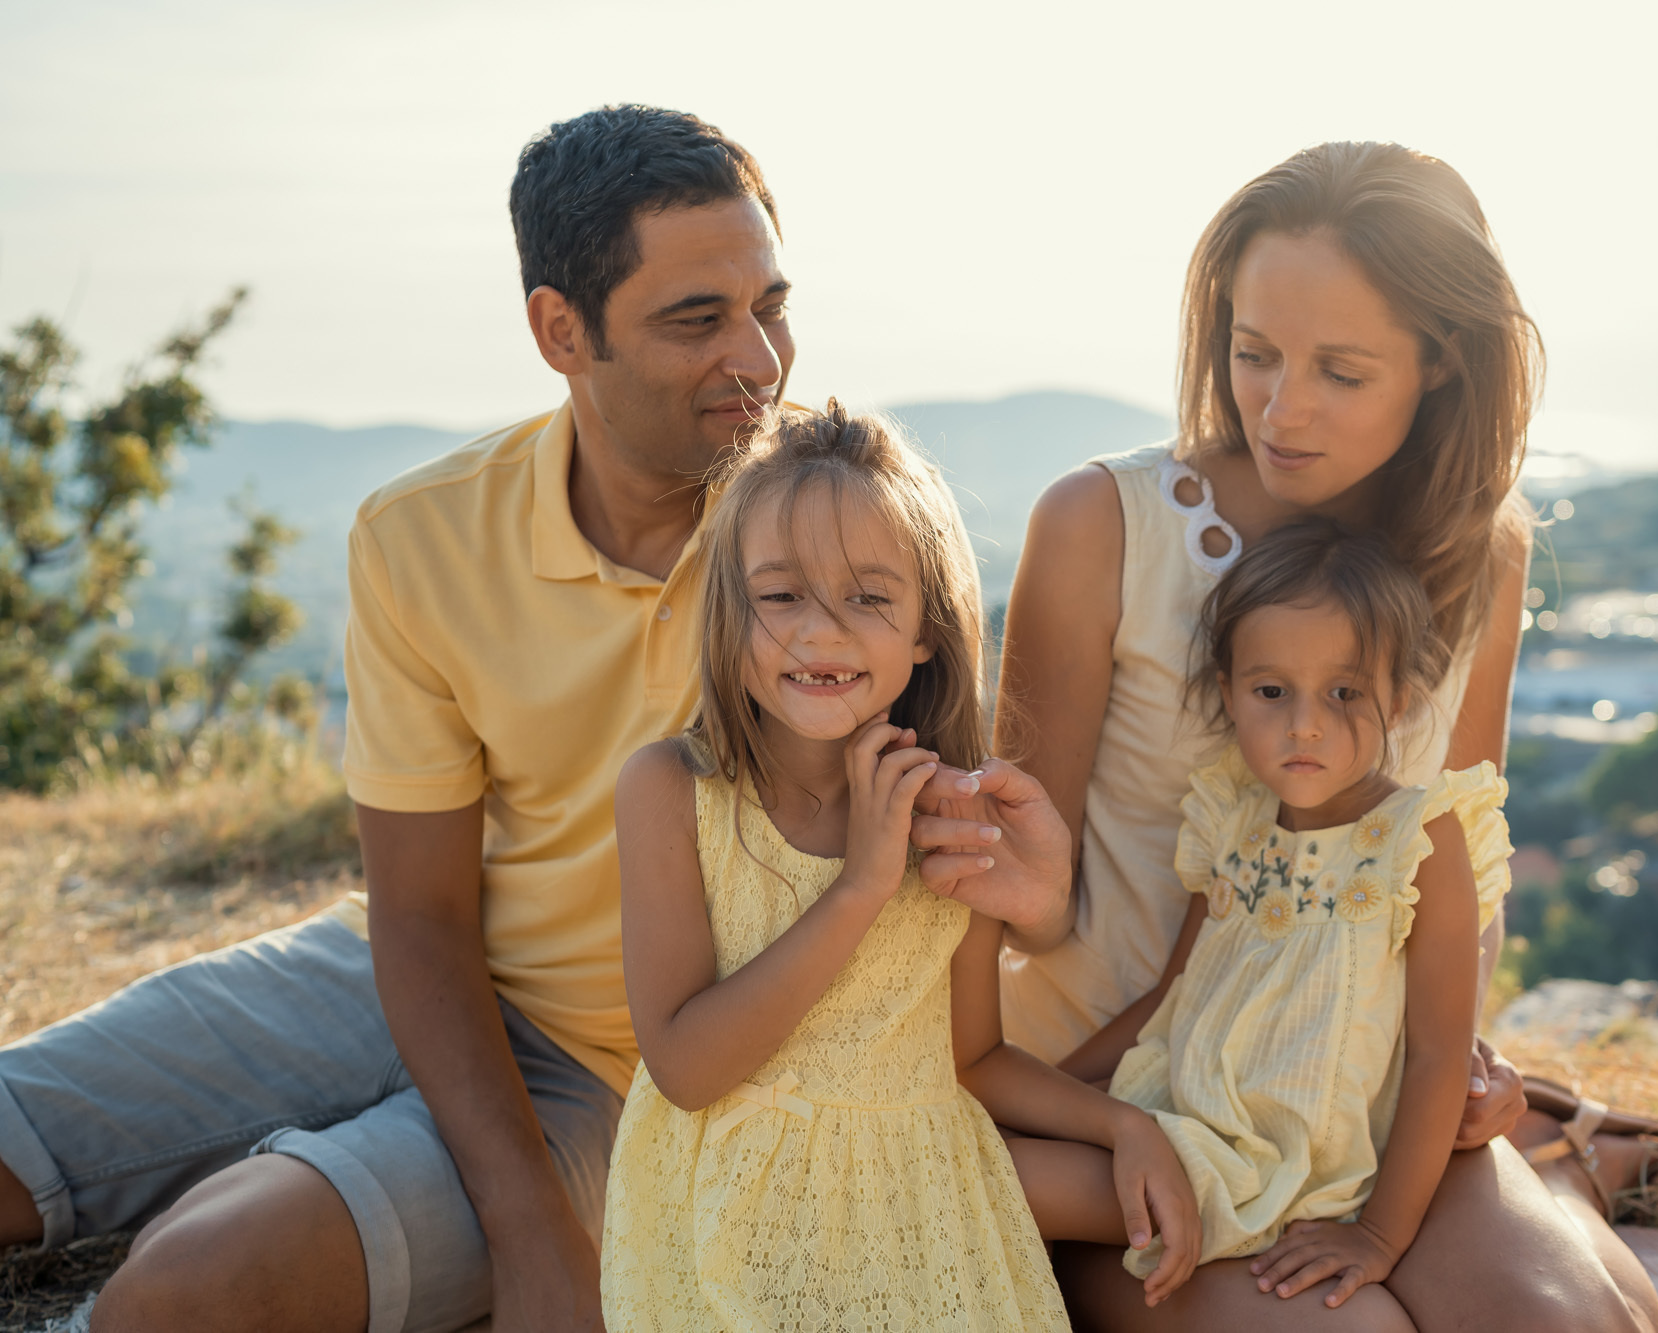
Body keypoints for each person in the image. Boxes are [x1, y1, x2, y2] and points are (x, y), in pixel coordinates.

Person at [0, 107, 1072, 1333]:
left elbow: (952, 867)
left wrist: (549, 1219)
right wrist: (521, 1222)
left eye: (770, 306)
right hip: (398, 973)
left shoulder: (830, 557)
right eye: (695, 320)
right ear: (561, 330)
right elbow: (418, 910)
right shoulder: (421, 533)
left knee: (191, 1286)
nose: (758, 361)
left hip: (636, 1073)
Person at [995, 140, 1658, 1330]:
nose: (1280, 408)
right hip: (1144, 1107)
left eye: (1340, 372)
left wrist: (1459, 1054)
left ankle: (1558, 1163)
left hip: (1362, 1098)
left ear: (1442, 361)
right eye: (1252, 352)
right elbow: (1018, 900)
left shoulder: (1482, 553)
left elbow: (1459, 857)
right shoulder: (1101, 523)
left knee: (1566, 1323)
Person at [599, 402, 1197, 1329]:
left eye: (870, 597)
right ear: (730, 608)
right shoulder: (674, 791)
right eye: (781, 595)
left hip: (918, 1221)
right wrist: (861, 886)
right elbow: (683, 1065)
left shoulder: (950, 815)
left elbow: (973, 1056)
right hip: (731, 1237)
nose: (821, 632)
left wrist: (1123, 1122)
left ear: (926, 627)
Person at [1077, 522, 1510, 1330]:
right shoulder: (1233, 819)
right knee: (988, 1151)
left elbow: (1439, 1056)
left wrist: (1379, 1234)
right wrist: (1053, 1088)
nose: (1304, 724)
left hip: (1279, 1167)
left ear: (1400, 697)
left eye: (1344, 692)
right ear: (1228, 690)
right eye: (1271, 691)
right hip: (1172, 1120)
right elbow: (1174, 994)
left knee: (989, 1174)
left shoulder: (1419, 840)